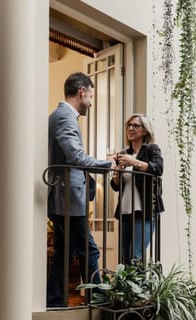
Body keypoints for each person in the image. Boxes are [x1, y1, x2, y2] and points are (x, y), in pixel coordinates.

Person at [47, 72, 114, 307]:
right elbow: (75, 157)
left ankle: (55, 303)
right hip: (68, 199)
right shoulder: (65, 117)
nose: (91, 102)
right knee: (90, 252)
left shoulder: (58, 115)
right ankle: (97, 304)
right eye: (91, 96)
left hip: (61, 198)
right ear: (82, 92)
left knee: (62, 255)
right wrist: (108, 164)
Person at [111, 114, 164, 265]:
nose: (131, 128)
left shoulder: (151, 150)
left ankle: (140, 288)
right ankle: (126, 289)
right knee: (125, 257)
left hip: (145, 210)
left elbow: (158, 169)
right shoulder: (123, 154)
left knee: (136, 256)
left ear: (145, 131)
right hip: (125, 211)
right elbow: (116, 186)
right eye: (129, 125)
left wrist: (134, 162)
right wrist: (116, 176)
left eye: (135, 126)